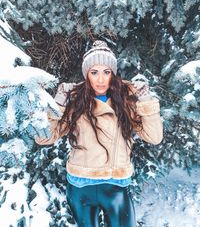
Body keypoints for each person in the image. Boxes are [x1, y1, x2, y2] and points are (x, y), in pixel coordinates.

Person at [36, 40, 163, 227]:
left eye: (106, 72)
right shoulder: (75, 103)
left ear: (113, 73)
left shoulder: (126, 102)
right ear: (86, 74)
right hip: (81, 185)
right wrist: (59, 103)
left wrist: (145, 99)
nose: (101, 79)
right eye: (94, 72)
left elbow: (154, 137)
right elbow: (44, 138)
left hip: (115, 184)